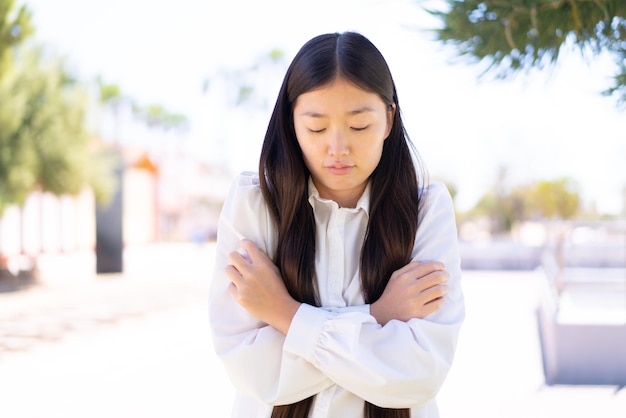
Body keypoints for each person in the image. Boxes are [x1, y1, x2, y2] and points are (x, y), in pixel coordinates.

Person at [209, 31, 464, 418]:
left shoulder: (426, 210)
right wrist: (377, 318)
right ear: (291, 122)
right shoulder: (254, 204)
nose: (338, 148)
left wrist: (284, 314)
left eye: (359, 126)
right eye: (316, 127)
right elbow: (255, 372)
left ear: (389, 119)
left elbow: (419, 374)